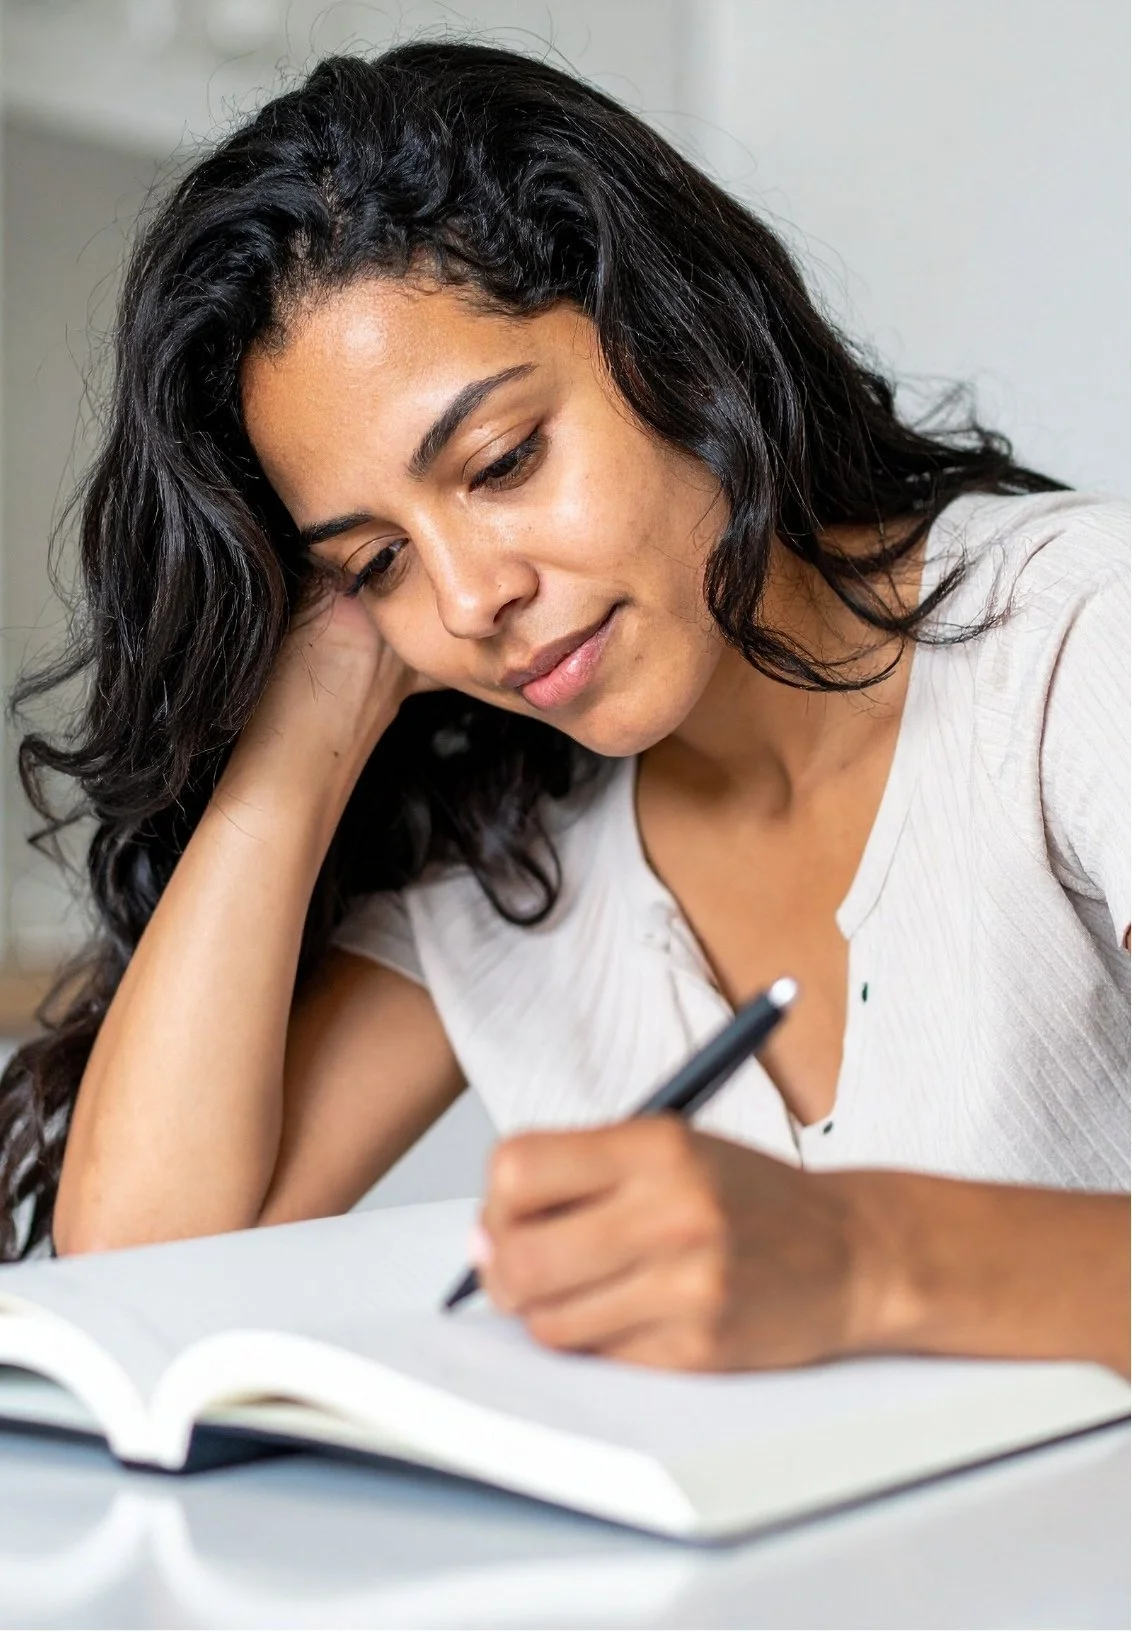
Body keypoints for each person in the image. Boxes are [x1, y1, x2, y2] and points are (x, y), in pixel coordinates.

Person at [1, 43, 1127, 1377]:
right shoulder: (511, 858)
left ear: (676, 333)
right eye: (375, 560)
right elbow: (140, 1275)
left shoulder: (1076, 645)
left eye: (504, 459)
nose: (472, 598)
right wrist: (312, 719)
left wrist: (865, 1258)